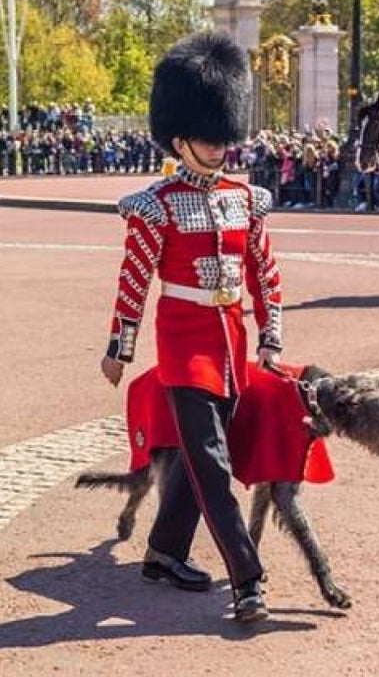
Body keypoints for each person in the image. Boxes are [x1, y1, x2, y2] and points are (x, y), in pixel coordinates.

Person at [100, 32, 282, 623]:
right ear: (180, 139)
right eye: (208, 134)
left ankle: (163, 553)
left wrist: (271, 336)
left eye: (222, 132)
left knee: (199, 457)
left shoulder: (245, 198)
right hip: (183, 345)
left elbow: (264, 271)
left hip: (230, 343)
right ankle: (248, 578)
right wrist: (119, 347)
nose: (220, 144)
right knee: (211, 464)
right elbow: (135, 279)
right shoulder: (156, 204)